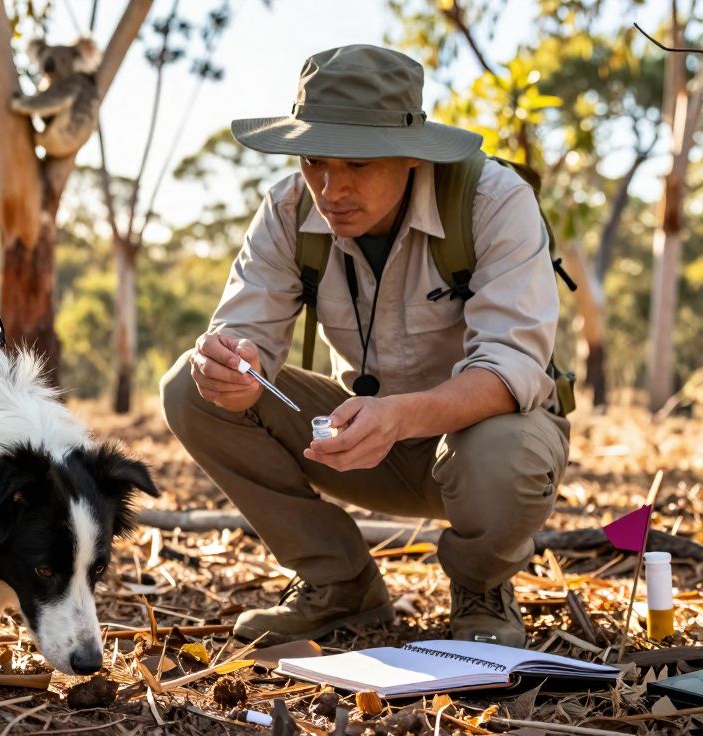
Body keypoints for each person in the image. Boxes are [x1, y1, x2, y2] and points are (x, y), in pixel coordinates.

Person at [160, 44, 569, 647]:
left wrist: (400, 414)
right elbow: (242, 332)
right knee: (188, 391)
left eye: (358, 164)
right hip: (355, 445)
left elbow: (512, 366)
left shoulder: (494, 201)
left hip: (478, 452)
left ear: (410, 154)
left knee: (503, 447)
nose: (331, 189)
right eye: (315, 161)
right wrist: (233, 366)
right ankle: (340, 586)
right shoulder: (287, 209)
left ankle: (483, 589)